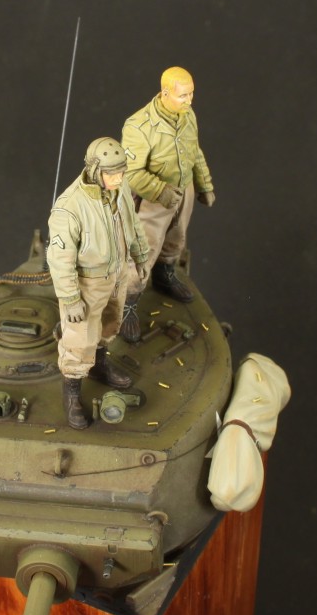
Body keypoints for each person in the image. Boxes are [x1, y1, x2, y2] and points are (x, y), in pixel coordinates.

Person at [47, 137, 149, 429]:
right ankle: (71, 392)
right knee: (79, 340)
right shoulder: (69, 208)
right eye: (111, 173)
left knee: (110, 324)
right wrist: (70, 299)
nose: (118, 178)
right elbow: (60, 259)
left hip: (116, 274)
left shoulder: (120, 189)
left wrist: (141, 255)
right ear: (94, 171)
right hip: (87, 284)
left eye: (121, 172)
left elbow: (133, 223)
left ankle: (100, 365)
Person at [119, 67, 215, 342]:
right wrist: (161, 192)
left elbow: (194, 151)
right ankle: (126, 305)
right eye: (183, 95)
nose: (189, 100)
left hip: (183, 189)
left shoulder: (187, 116)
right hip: (152, 199)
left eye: (191, 94)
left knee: (176, 237)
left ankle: (165, 275)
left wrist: (205, 184)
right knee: (142, 252)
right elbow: (132, 173)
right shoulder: (139, 126)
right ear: (165, 93)